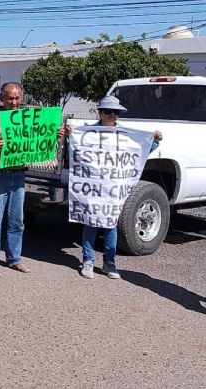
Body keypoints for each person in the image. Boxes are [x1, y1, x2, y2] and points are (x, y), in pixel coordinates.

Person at [63, 95, 161, 280]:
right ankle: (88, 261)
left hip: (113, 189)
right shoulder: (88, 133)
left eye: (115, 112)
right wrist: (69, 136)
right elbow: (75, 150)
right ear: (100, 112)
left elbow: (140, 150)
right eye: (108, 111)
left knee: (111, 226)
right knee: (90, 223)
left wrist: (155, 141)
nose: (112, 115)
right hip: (93, 187)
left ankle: (109, 263)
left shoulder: (125, 135)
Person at [0, 82, 35, 277]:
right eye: (10, 97)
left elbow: (41, 138)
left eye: (18, 97)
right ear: (1, 98)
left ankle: (14, 258)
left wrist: (57, 134)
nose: (14, 101)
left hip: (19, 174)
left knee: (17, 220)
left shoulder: (27, 118)